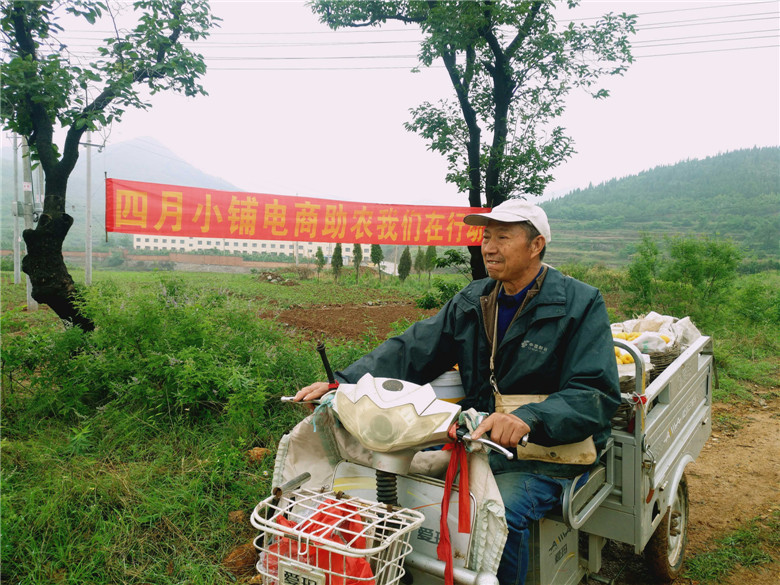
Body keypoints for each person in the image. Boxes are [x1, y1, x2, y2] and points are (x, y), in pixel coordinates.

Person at [295, 199, 620, 585]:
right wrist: (344, 384)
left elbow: (594, 392)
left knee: (498, 511)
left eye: (503, 236)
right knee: (405, 481)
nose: (490, 247)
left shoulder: (579, 304)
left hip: (548, 455)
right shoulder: (475, 300)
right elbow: (413, 349)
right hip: (480, 441)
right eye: (486, 236)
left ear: (536, 245)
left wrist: (527, 419)